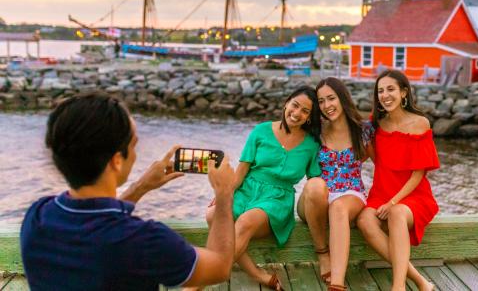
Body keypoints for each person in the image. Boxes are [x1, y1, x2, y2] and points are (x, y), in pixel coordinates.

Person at [20, 92, 237, 291]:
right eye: (133, 145)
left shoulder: (37, 217)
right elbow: (219, 266)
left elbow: (92, 220)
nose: (135, 154)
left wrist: (140, 187)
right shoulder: (144, 240)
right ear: (116, 160)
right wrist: (224, 194)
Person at [203, 86, 322, 290]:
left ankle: (201, 280)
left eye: (305, 111)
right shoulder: (261, 130)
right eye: (295, 105)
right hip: (247, 190)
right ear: (286, 103)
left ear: (310, 117)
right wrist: (225, 194)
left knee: (245, 221)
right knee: (214, 214)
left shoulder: (312, 144)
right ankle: (259, 275)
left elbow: (315, 182)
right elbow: (241, 171)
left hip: (277, 199)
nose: (297, 113)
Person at [357, 69, 439, 291]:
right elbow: (376, 161)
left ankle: (398, 286)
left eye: (391, 89)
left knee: (396, 213)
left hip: (413, 195)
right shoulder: (375, 123)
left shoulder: (420, 123)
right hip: (381, 192)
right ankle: (421, 281)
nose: (385, 95)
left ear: (404, 93)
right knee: (364, 220)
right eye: (380, 91)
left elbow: (418, 173)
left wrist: (393, 202)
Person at [297, 77, 375, 290]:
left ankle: (338, 284)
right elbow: (287, 144)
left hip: (350, 193)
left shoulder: (363, 131)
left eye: (331, 98)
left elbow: (382, 166)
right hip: (316, 199)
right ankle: (323, 253)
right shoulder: (315, 131)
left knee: (339, 207)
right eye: (321, 102)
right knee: (314, 184)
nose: (326, 106)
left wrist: (391, 201)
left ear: (342, 98)